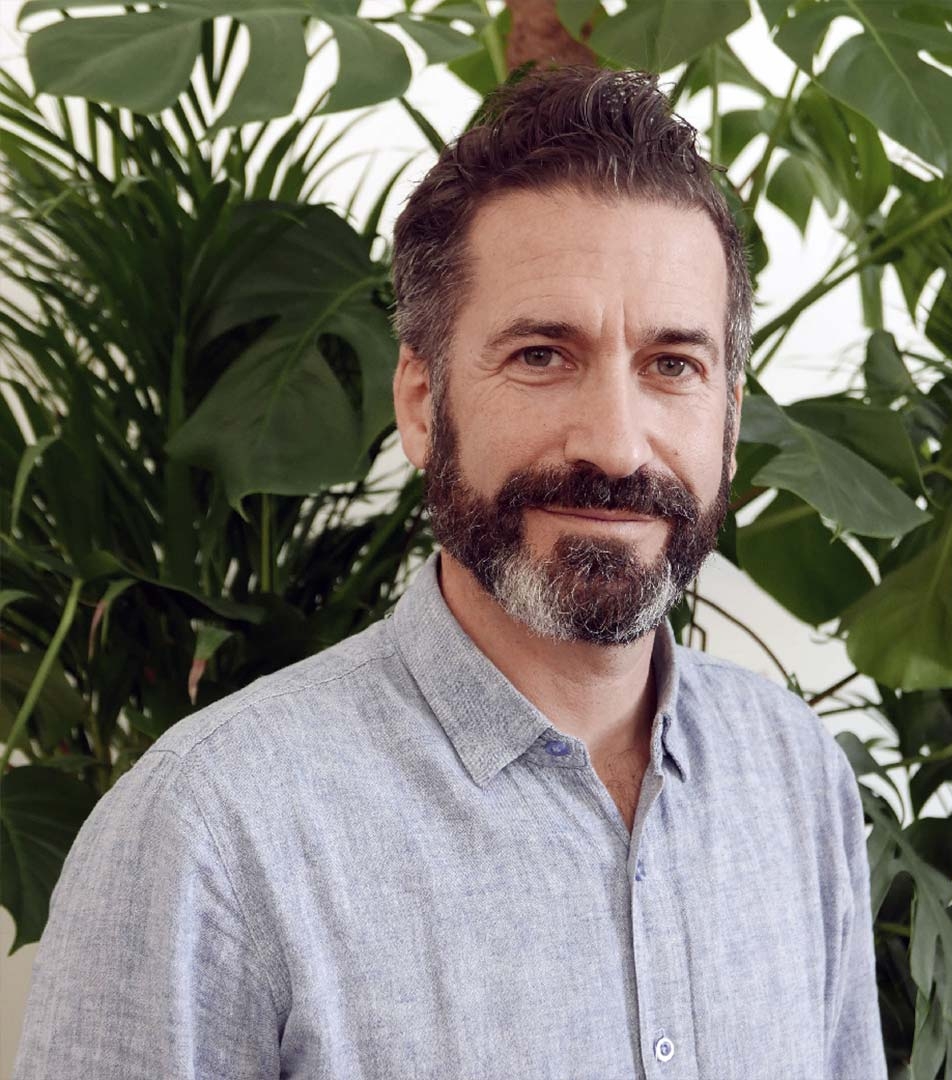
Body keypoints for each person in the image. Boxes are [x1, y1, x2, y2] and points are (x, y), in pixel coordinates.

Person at [13, 66, 887, 1079]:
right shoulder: (211, 834)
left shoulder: (794, 778)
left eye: (672, 365)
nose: (615, 444)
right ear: (423, 404)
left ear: (730, 425)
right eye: (540, 355)